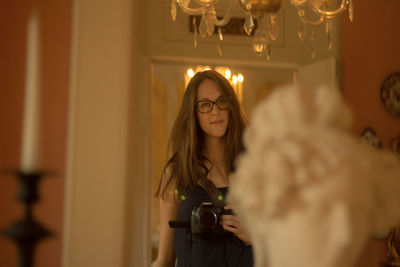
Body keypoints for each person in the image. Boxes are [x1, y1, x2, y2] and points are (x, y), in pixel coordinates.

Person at [155, 70, 253, 267]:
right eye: (205, 104)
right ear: (193, 113)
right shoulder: (176, 173)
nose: (215, 111)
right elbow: (165, 259)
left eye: (221, 101)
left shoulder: (254, 168)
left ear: (231, 106)